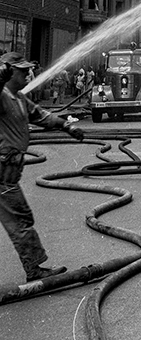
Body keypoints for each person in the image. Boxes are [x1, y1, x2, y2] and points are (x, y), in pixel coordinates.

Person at [0, 52, 85, 283]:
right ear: (8, 71)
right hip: (3, 175)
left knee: (19, 219)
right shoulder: (2, 95)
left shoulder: (19, 98)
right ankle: (34, 269)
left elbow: (41, 115)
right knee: (20, 221)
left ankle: (34, 267)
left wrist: (66, 125)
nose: (28, 73)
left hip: (10, 173)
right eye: (21, 70)